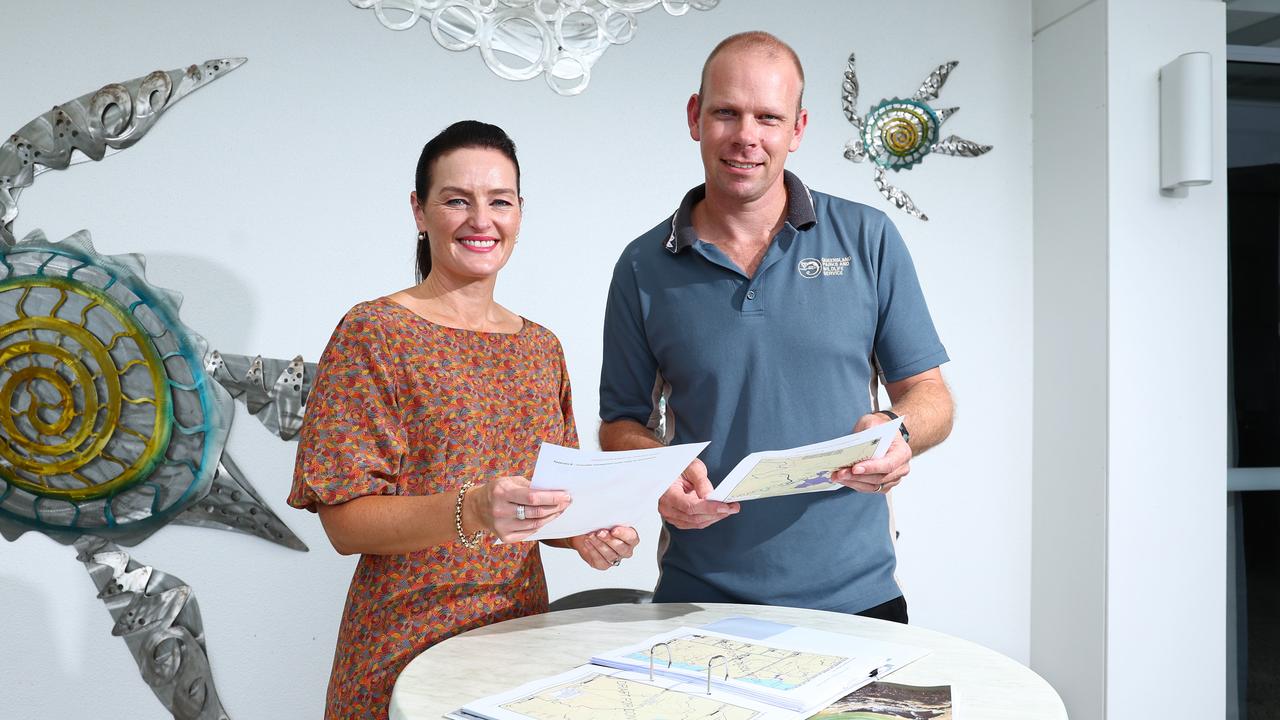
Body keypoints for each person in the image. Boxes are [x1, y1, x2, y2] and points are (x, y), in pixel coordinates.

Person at [289, 120, 639, 719]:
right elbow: (344, 522)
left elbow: (545, 505)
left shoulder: (541, 348)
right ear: (419, 213)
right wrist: (471, 510)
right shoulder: (374, 333)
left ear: (520, 213)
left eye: (499, 201)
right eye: (457, 200)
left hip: (518, 647)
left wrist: (580, 531)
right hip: (398, 652)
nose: (482, 220)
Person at [598, 32, 953, 623]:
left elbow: (932, 396)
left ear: (798, 128)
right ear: (695, 117)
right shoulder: (642, 266)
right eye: (726, 113)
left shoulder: (868, 238)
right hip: (697, 602)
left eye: (768, 117)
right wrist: (653, 472)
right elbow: (620, 426)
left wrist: (900, 431)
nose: (747, 136)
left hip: (858, 602)